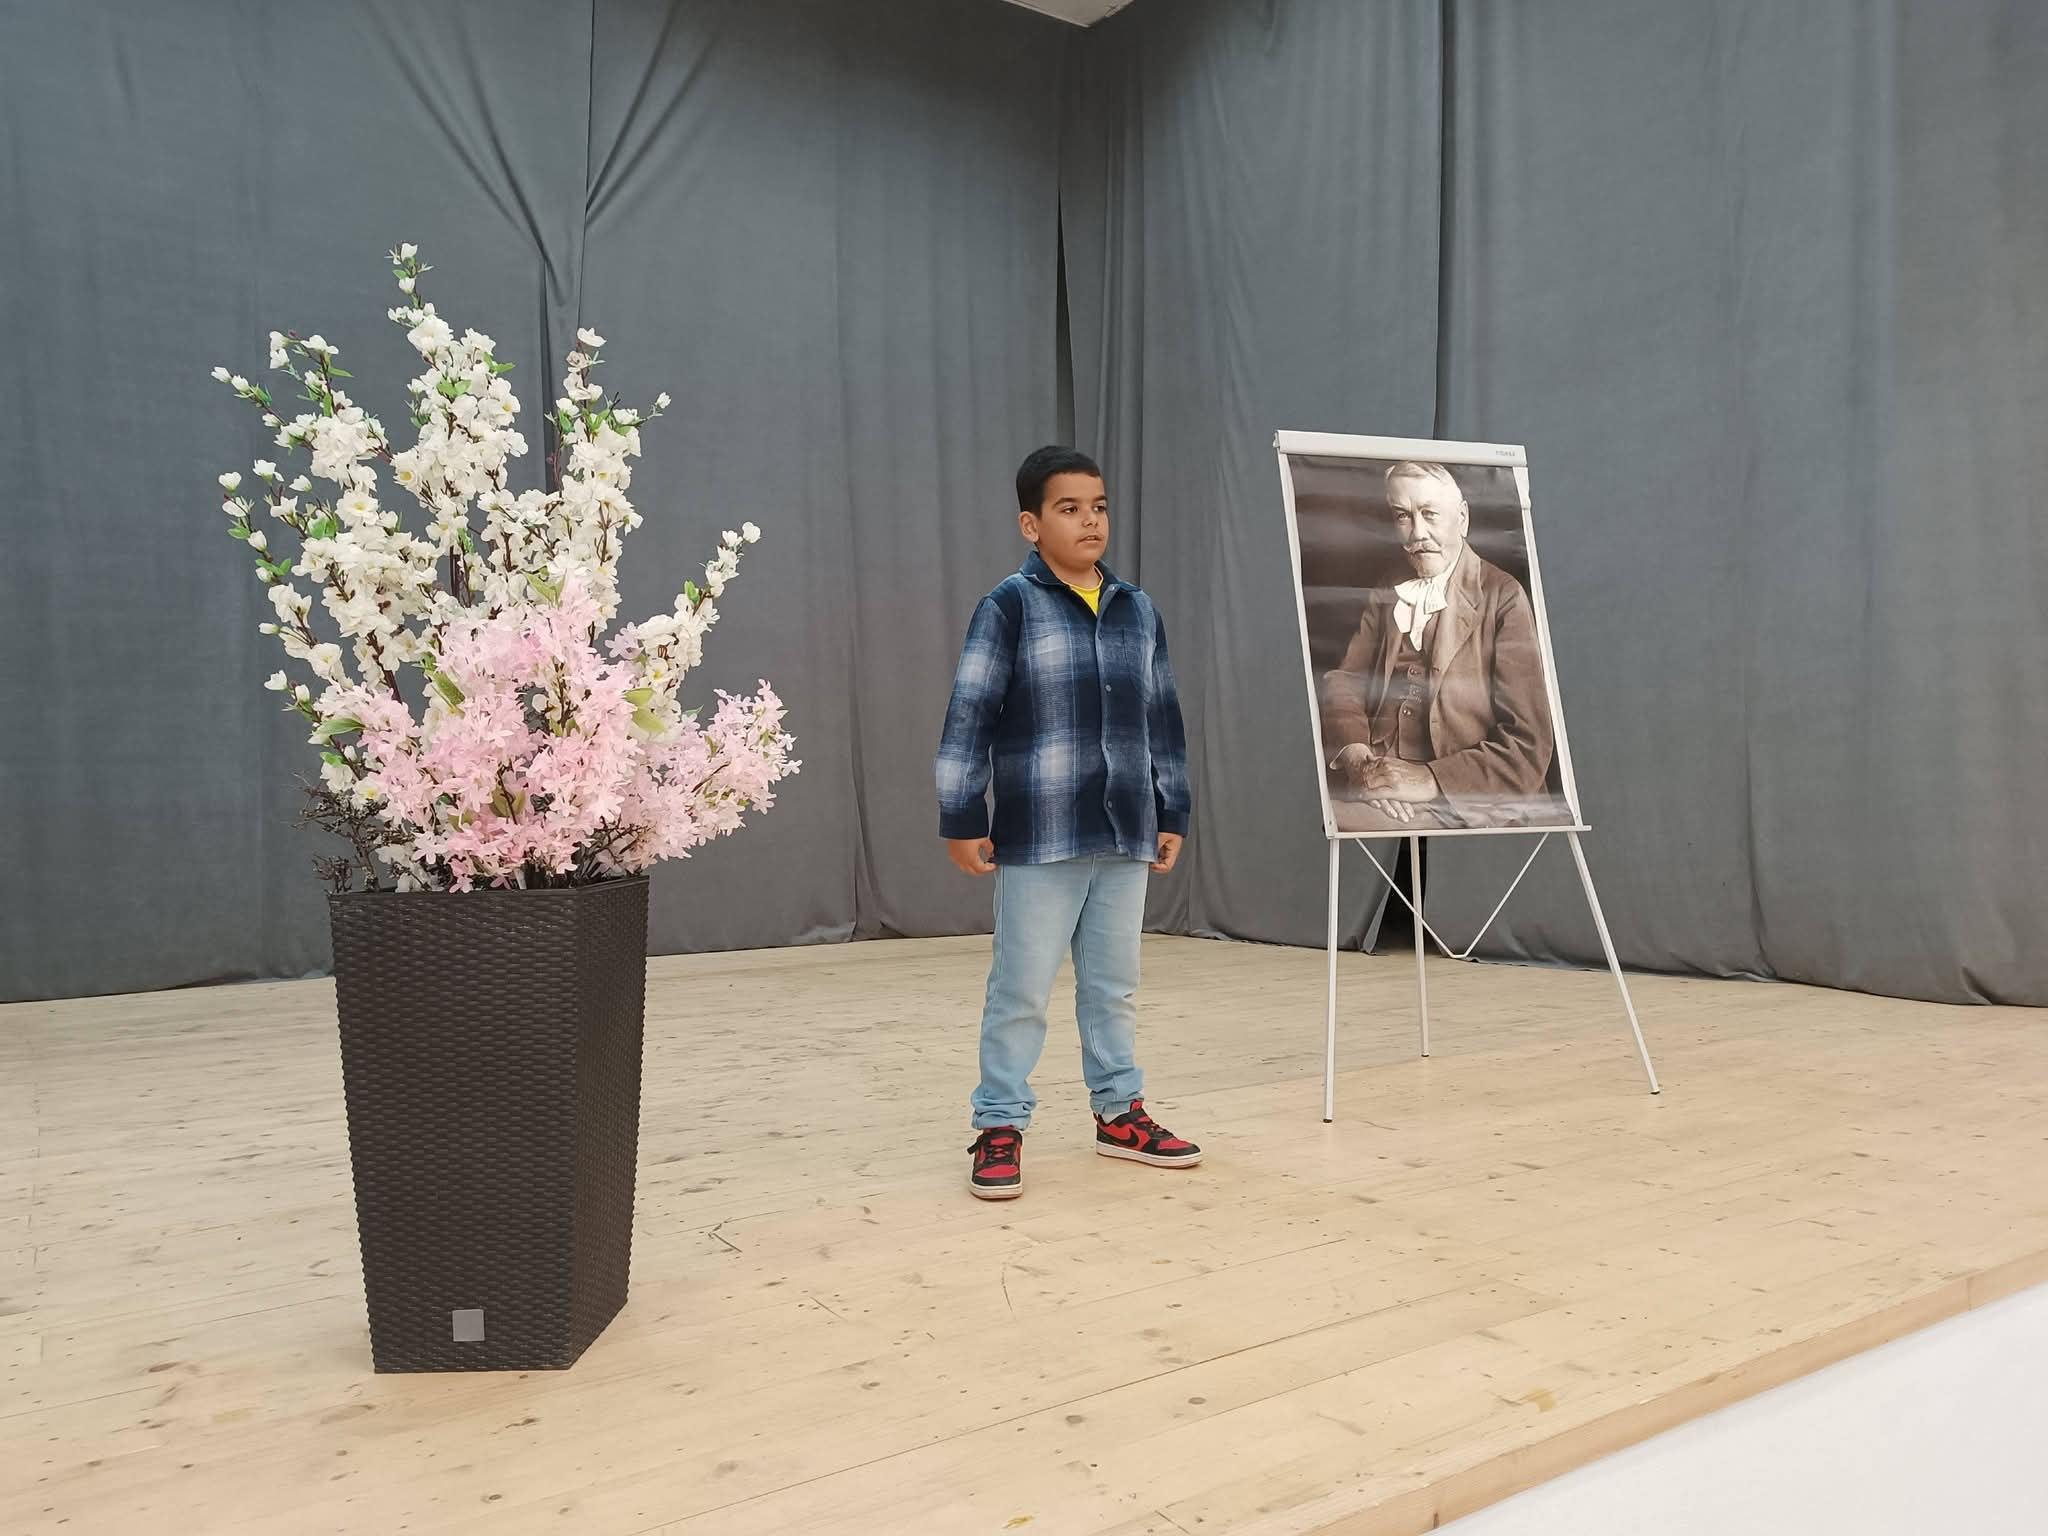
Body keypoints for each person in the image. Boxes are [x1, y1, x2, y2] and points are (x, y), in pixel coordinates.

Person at [936, 445, 1203, 1201]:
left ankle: (1120, 1113)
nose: (1090, 521)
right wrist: (961, 814)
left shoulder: (1137, 609)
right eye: (1069, 508)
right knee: (1021, 988)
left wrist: (1172, 805)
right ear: (1031, 524)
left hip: (1126, 831)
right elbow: (969, 716)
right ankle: (999, 1123)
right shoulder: (1008, 608)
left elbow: (1163, 718)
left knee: (1114, 985)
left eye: (1099, 507)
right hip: (1040, 834)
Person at [1320, 460, 1559, 833]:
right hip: (1376, 777)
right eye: (1403, 516)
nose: (1417, 533)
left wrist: (1428, 780)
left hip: (1464, 794)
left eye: (1430, 514)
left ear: (1462, 518)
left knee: (1332, 819)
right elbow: (1345, 680)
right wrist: (1357, 758)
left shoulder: (1504, 596)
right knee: (1307, 809)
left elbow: (1528, 743)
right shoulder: (1390, 585)